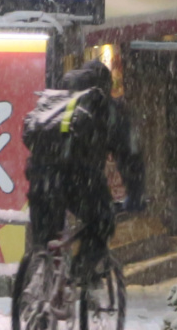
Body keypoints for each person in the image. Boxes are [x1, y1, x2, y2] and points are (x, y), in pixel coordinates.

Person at [22, 60, 145, 278]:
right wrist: (135, 194)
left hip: (41, 180)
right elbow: (130, 156)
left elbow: (30, 136)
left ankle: (37, 289)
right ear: (105, 87)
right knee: (102, 221)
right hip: (79, 181)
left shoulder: (55, 104)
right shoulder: (107, 108)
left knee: (47, 241)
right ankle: (80, 273)